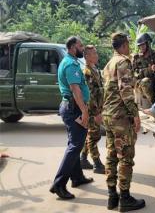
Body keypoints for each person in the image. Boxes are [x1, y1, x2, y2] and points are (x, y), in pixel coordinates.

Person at [102, 33, 145, 211]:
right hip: (120, 117)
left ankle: (112, 197)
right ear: (125, 45)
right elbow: (126, 91)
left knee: (112, 156)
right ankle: (125, 199)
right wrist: (135, 115)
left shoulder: (109, 63)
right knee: (126, 157)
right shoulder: (123, 62)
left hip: (108, 115)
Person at [49, 36, 93, 200]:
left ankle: (77, 177)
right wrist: (85, 111)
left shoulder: (69, 61)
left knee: (74, 144)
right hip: (74, 108)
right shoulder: (70, 64)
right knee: (75, 146)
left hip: (71, 107)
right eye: (81, 46)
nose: (83, 49)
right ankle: (59, 184)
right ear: (73, 47)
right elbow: (75, 89)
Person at [79, 45, 105, 174]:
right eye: (93, 54)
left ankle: (83, 159)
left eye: (96, 53)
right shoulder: (87, 72)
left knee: (91, 134)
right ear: (87, 56)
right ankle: (97, 163)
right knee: (94, 136)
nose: (96, 55)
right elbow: (89, 95)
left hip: (98, 108)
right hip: (93, 110)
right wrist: (96, 113)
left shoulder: (96, 69)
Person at [132, 33, 155, 109]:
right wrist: (148, 70)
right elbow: (134, 73)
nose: (141, 47)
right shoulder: (136, 58)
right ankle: (153, 104)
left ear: (148, 44)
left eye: (143, 45)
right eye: (139, 45)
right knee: (145, 81)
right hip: (143, 84)